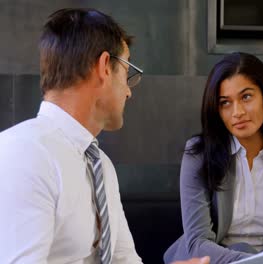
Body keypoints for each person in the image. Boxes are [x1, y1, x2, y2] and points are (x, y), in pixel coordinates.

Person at [0, 8, 209, 264]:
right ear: (104, 67)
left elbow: (124, 260)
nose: (129, 93)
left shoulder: (101, 166)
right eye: (127, 71)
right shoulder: (23, 153)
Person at [164, 52, 263, 263]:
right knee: (242, 247)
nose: (237, 112)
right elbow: (198, 242)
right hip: (210, 262)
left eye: (246, 97)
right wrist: (252, 261)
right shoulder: (199, 156)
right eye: (225, 103)